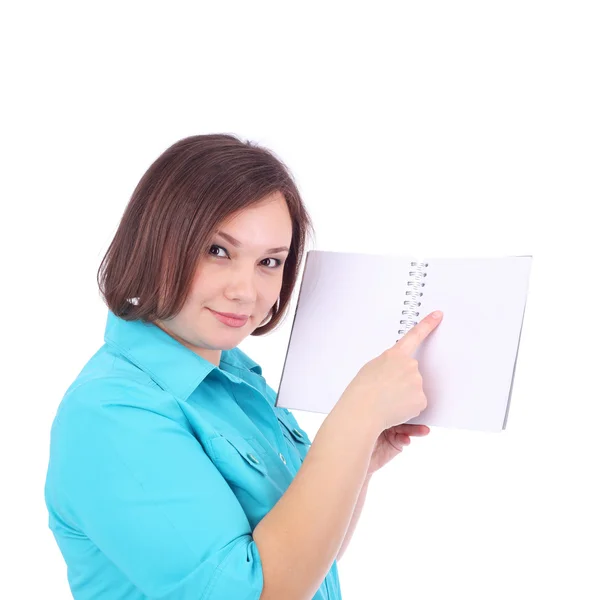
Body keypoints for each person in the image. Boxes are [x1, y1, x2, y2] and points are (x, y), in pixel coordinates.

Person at [44, 133, 441, 600]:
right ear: (155, 243)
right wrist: (353, 421)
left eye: (269, 262)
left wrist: (358, 461)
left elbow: (307, 564)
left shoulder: (232, 378)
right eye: (218, 251)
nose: (246, 291)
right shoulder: (111, 413)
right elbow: (257, 592)